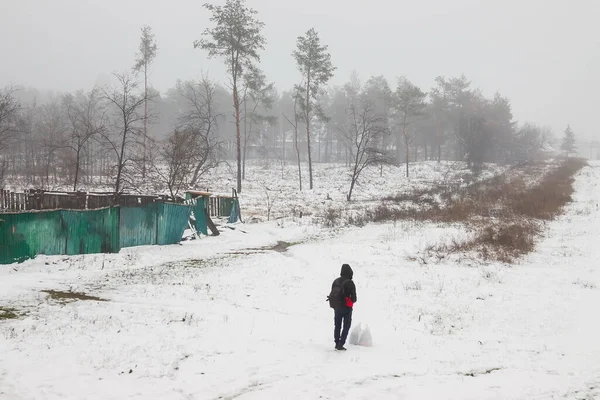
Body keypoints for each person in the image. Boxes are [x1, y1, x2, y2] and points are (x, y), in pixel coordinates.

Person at [330, 263, 357, 351]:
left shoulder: (336, 281)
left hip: (337, 307)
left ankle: (337, 342)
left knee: (337, 325)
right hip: (347, 308)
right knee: (346, 326)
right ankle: (341, 344)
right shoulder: (350, 283)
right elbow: (354, 298)